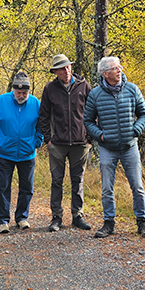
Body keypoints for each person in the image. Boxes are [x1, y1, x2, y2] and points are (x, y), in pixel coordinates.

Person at [84, 56, 145, 239]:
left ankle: (142, 222)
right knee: (107, 188)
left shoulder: (132, 89)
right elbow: (88, 121)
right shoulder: (95, 94)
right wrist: (100, 135)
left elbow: (144, 114)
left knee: (137, 186)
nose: (119, 70)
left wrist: (135, 130)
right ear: (105, 74)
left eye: (120, 67)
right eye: (115, 68)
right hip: (108, 148)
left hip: (130, 146)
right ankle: (109, 223)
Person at [38, 54, 92, 232]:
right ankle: (56, 217)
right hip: (57, 144)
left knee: (78, 180)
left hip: (80, 143)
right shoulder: (50, 89)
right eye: (62, 68)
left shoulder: (84, 86)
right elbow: (43, 116)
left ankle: (78, 215)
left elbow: (93, 112)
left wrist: (90, 138)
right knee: (57, 181)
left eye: (68, 66)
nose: (66, 70)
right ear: (55, 71)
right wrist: (48, 139)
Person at [0, 71, 44, 233]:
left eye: (24, 92)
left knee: (27, 187)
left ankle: (22, 217)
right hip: (5, 153)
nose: (21, 95)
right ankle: (2, 220)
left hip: (27, 153)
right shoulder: (2, 101)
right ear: (13, 90)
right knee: (3, 187)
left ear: (29, 91)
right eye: (18, 92)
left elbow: (42, 125)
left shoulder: (35, 103)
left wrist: (37, 141)